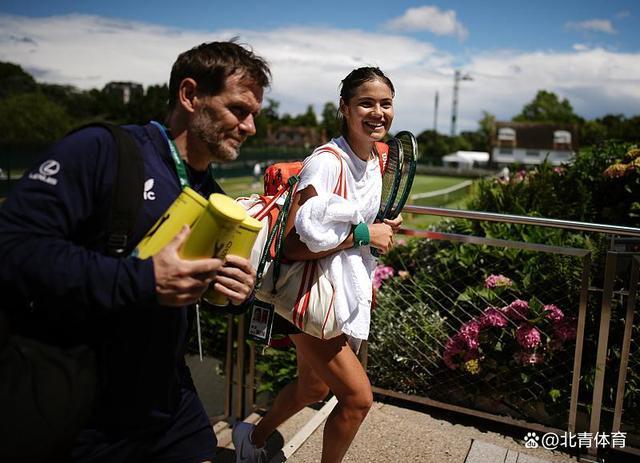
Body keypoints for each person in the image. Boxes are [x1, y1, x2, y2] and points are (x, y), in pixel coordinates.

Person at [0, 41, 270, 462]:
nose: (250, 126)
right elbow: (14, 249)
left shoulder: (211, 195)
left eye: (255, 113)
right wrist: (144, 278)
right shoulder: (102, 151)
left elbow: (189, 286)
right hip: (83, 398)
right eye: (239, 109)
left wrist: (233, 293)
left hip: (167, 396)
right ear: (190, 94)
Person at [232, 67, 402, 463]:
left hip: (337, 293)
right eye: (366, 103)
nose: (378, 112)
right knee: (358, 400)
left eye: (386, 103)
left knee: (312, 389)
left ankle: (251, 439)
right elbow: (290, 246)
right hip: (310, 296)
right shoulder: (325, 163)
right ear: (344, 108)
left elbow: (348, 220)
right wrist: (364, 235)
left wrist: (378, 227)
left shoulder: (376, 160)